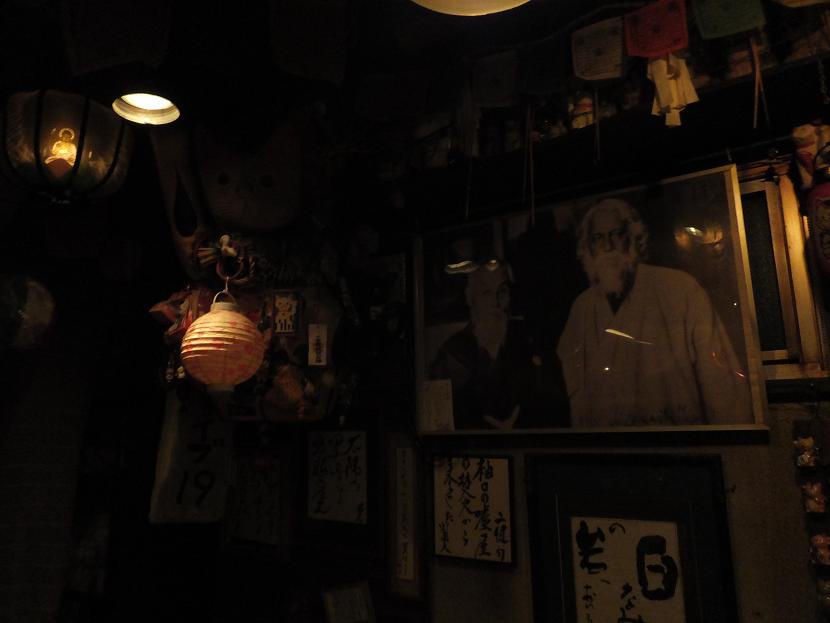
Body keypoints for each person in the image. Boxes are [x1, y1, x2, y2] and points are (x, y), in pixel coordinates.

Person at [556, 198, 752, 427]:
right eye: (598, 238)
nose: (607, 246)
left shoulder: (680, 289)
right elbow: (576, 398)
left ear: (632, 238)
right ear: (588, 247)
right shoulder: (582, 309)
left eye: (616, 234)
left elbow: (723, 389)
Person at [430, 262, 562, 429]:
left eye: (502, 292)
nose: (495, 302)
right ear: (470, 297)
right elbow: (440, 422)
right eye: (486, 293)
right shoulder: (452, 354)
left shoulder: (526, 343)